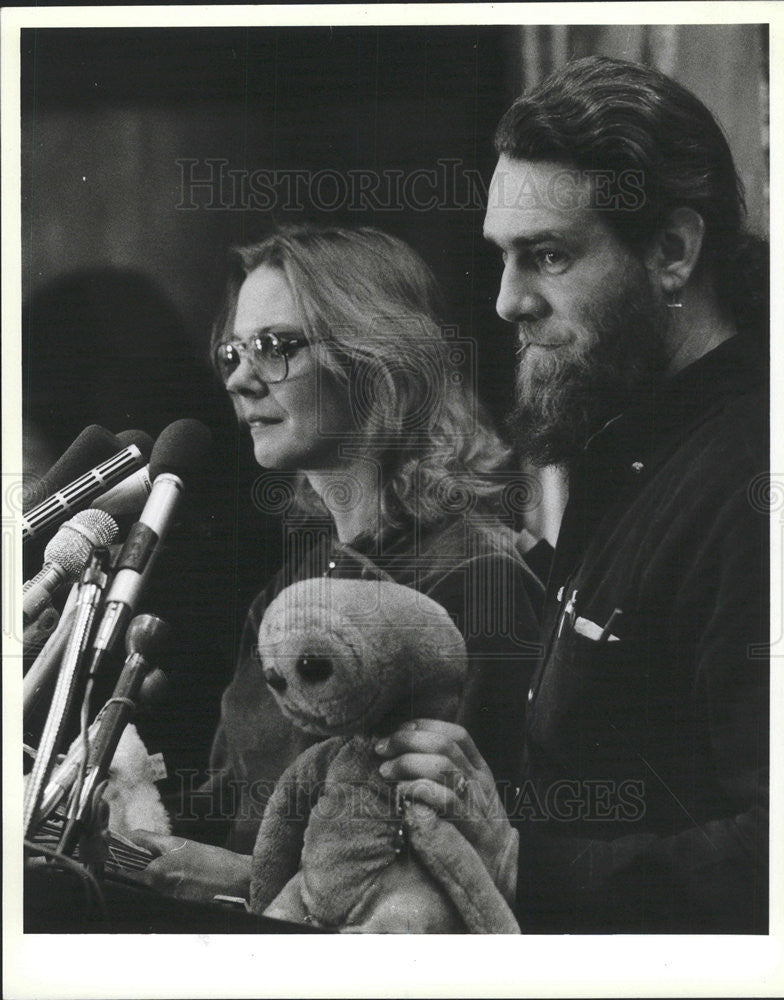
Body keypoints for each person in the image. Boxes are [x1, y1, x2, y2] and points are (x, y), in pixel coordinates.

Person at [375, 56, 769, 933]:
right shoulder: (628, 442)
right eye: (504, 260)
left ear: (672, 250)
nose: (511, 301)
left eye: (548, 255)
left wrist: (520, 860)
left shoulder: (759, 479)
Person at [126, 223, 542, 905]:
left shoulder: (476, 575)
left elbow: (444, 873)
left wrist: (231, 881)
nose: (238, 377)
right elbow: (234, 810)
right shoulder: (293, 584)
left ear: (376, 358)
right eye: (233, 350)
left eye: (275, 347)